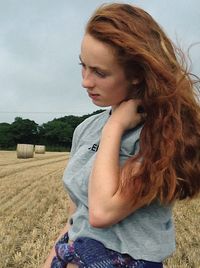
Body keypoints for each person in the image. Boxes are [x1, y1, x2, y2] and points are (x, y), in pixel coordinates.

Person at [42, 3, 200, 268]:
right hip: (70, 256)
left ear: (137, 74)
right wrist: (52, 259)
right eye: (83, 66)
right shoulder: (85, 129)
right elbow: (77, 218)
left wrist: (114, 128)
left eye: (99, 72)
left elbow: (102, 212)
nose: (85, 81)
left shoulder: (162, 136)